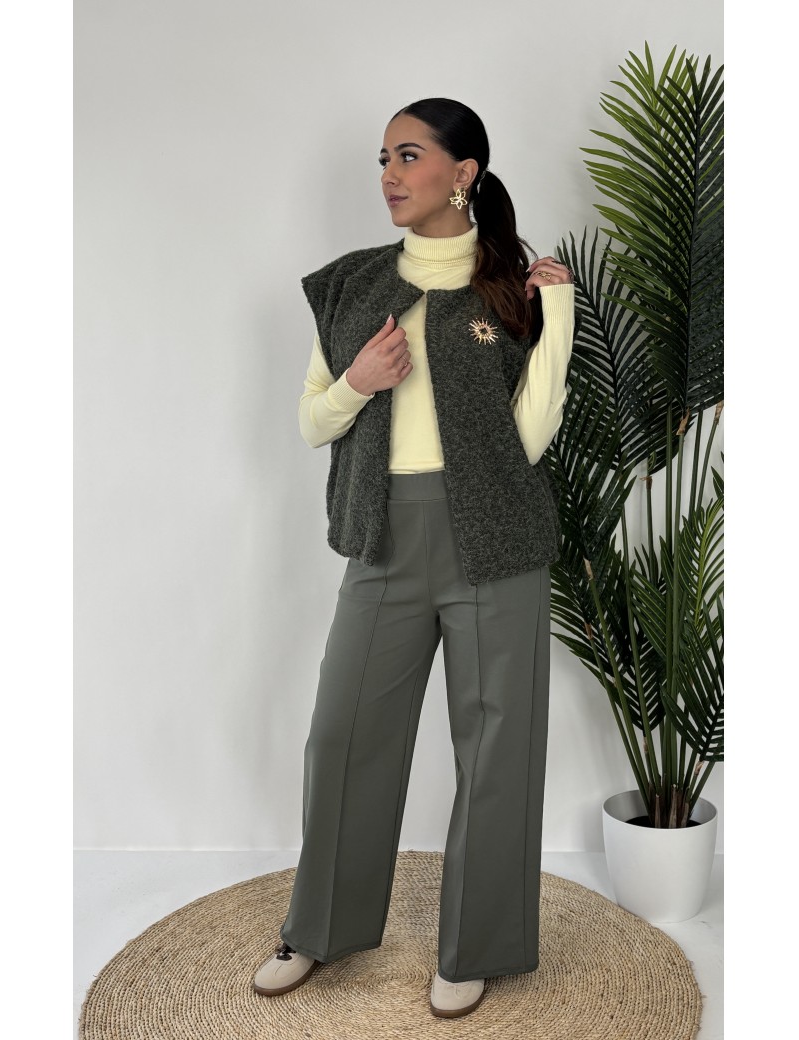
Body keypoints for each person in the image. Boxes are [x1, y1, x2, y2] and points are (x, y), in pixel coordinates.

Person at [253, 97, 574, 1020]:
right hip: (384, 539)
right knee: (343, 736)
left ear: (463, 173)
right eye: (384, 159)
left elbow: (529, 437)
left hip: (497, 543)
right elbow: (312, 421)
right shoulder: (352, 285)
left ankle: (477, 946)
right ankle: (319, 928)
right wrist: (359, 381)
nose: (390, 175)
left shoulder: (511, 288)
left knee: (500, 749)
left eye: (408, 156)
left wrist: (557, 315)